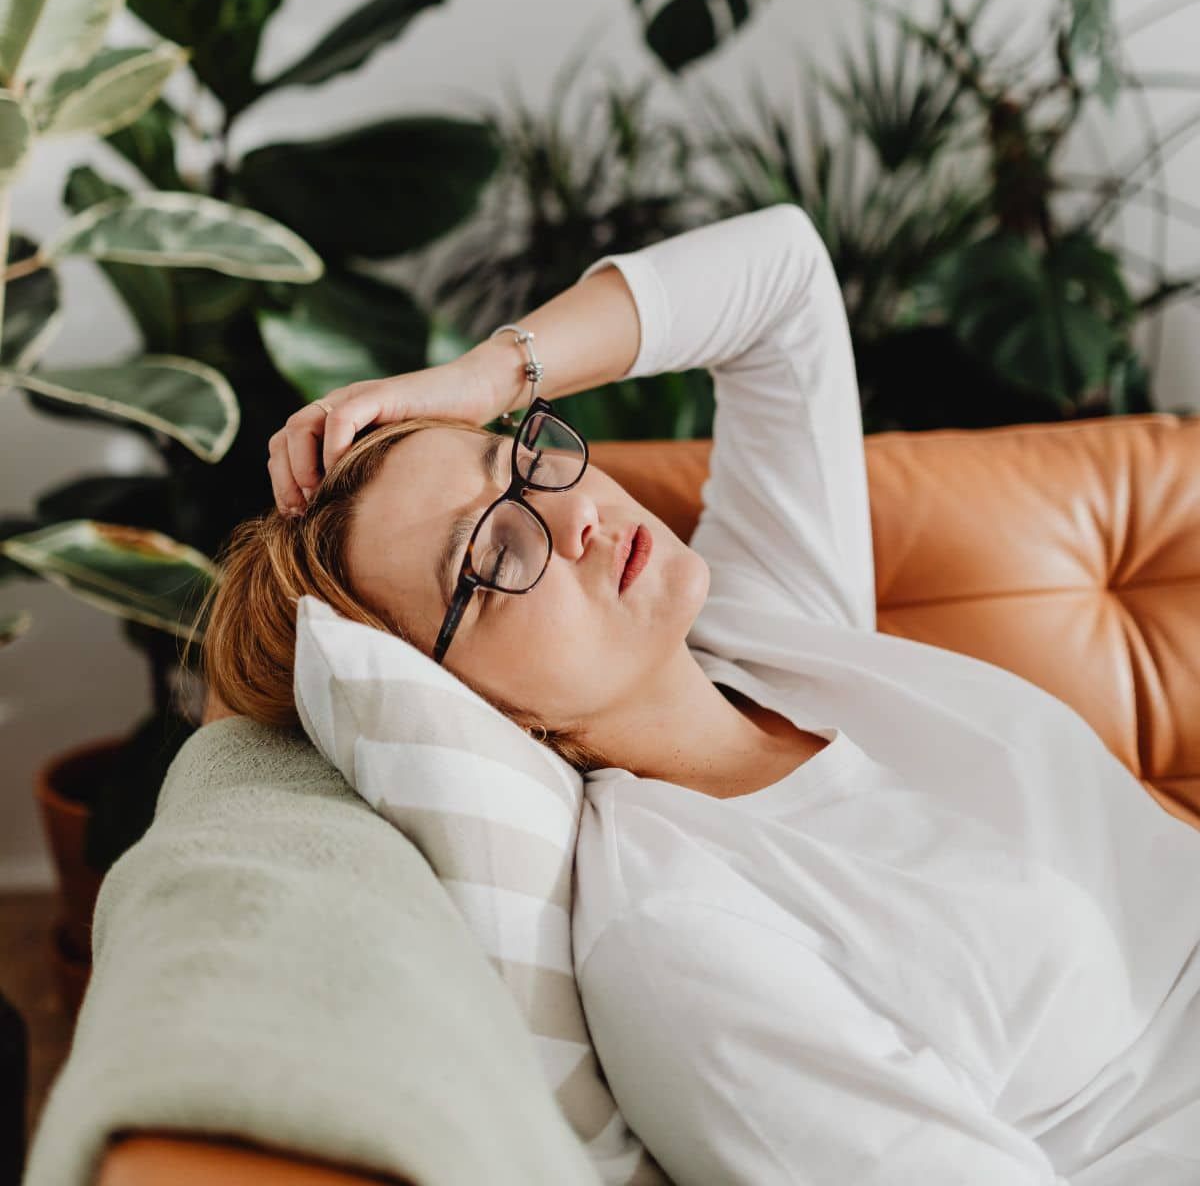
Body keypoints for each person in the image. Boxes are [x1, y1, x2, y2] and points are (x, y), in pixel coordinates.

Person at [203, 204, 1200, 1184]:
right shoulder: (684, 944)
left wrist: (481, 377)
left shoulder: (770, 632)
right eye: (495, 551)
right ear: (479, 706)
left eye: (519, 458)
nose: (570, 511)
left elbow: (784, 278)